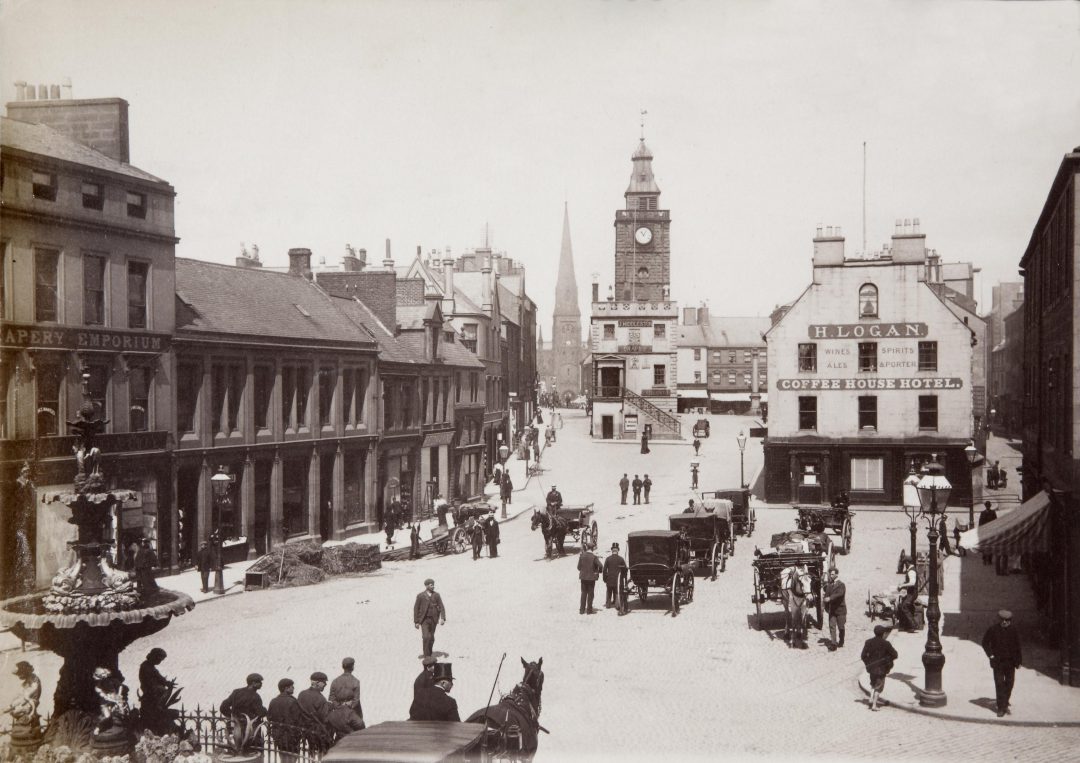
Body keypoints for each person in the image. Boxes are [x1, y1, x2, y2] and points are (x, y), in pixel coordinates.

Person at [982, 609, 1022, 717]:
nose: (1004, 622)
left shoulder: (1013, 630)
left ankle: (1004, 701)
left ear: (1010, 620)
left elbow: (1018, 646)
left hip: (1010, 663)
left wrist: (1019, 661)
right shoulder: (993, 630)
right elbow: (985, 643)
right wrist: (991, 655)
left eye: (1007, 620)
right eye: (1002, 620)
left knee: (1010, 683)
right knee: (999, 684)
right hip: (998, 662)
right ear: (999, 619)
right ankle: (1001, 708)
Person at [861, 625, 898, 711]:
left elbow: (863, 656)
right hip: (881, 669)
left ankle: (870, 698)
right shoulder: (886, 644)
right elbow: (895, 654)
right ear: (883, 634)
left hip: (871, 668)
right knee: (879, 687)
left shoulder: (868, 642)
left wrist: (868, 663)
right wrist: (888, 659)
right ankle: (874, 705)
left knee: (873, 683)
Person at [138, 648, 175, 732]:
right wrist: (163, 687)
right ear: (155, 656)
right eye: (160, 659)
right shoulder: (146, 667)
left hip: (154, 695)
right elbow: (150, 683)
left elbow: (160, 678)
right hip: (151, 696)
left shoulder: (151, 667)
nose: (160, 661)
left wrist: (167, 683)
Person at [267, 679, 303, 763]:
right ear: (286, 688)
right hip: (291, 735)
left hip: (278, 734)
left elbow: (269, 717)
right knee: (292, 758)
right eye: (292, 686)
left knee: (282, 756)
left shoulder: (273, 701)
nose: (293, 688)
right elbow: (297, 719)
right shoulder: (293, 701)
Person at [298, 672, 332, 753]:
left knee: (310, 755)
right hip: (317, 732)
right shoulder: (321, 698)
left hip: (303, 730)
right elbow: (325, 718)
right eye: (324, 682)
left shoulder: (302, 694)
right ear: (317, 683)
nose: (325, 684)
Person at [328, 658, 365, 732]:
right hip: (351, 713)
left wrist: (339, 706)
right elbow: (356, 700)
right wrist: (348, 706)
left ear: (343, 667)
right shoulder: (355, 681)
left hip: (338, 713)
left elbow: (331, 698)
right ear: (352, 667)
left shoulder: (335, 681)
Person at [414, 578, 447, 657]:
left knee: (431, 638)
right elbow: (416, 608)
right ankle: (427, 656)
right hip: (424, 620)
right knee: (426, 637)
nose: (433, 586)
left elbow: (441, 606)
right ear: (426, 586)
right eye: (431, 585)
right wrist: (416, 622)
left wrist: (442, 618)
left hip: (434, 619)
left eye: (433, 585)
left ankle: (429, 652)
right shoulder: (420, 596)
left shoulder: (436, 595)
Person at [822, 569, 847, 650]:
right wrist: (825, 605)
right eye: (830, 574)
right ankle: (833, 644)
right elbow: (826, 596)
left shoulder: (841, 585)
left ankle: (841, 640)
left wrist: (830, 598)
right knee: (832, 626)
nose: (831, 576)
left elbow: (840, 594)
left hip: (840, 610)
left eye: (833, 574)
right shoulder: (829, 585)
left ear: (837, 575)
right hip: (832, 610)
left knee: (841, 627)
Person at [577, 545, 602, 615]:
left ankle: (582, 610)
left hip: (583, 578)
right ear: (592, 549)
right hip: (591, 578)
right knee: (590, 594)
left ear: (587, 548)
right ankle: (589, 610)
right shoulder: (594, 557)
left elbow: (578, 567)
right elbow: (600, 566)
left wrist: (583, 570)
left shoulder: (582, 556)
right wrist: (598, 571)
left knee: (583, 593)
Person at [602, 543, 627, 611]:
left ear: (612, 550)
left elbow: (604, 570)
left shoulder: (608, 559)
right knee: (617, 592)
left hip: (609, 579)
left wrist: (605, 579)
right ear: (618, 550)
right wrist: (623, 577)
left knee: (609, 591)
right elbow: (625, 569)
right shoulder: (621, 559)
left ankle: (608, 604)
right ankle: (617, 604)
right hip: (618, 579)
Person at [897, 560, 918, 632]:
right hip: (911, 592)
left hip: (912, 593)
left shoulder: (911, 571)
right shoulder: (911, 570)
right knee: (904, 606)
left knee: (904, 606)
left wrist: (902, 585)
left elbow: (912, 583)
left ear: (907, 563)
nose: (904, 566)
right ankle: (906, 625)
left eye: (905, 564)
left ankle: (913, 625)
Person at [979, 500, 998, 567]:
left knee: (990, 545)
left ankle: (989, 559)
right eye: (987, 505)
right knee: (984, 545)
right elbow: (980, 523)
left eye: (988, 505)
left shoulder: (993, 512)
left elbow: (996, 522)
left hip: (991, 531)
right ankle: (984, 559)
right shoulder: (982, 513)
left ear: (990, 506)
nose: (987, 506)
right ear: (985, 506)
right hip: (985, 532)